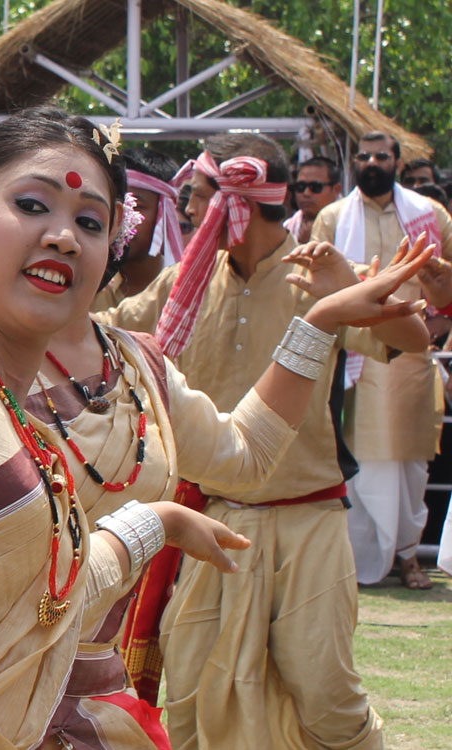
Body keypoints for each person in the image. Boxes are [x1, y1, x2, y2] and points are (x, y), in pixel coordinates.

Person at [0, 56, 422, 749]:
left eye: (90, 221)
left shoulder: (124, 372)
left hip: (76, 717)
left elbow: (64, 586)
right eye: (30, 204)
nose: (62, 234)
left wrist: (315, 326)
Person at [106, 130, 430, 748]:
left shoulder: (321, 272)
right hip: (213, 521)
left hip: (307, 516)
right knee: (196, 694)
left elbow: (414, 342)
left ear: (238, 203)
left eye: (198, 197)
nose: (190, 212)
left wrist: (338, 295)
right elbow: (103, 332)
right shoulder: (183, 284)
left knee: (326, 694)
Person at [311, 131, 452, 592]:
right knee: (359, 462)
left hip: (409, 354)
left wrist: (436, 311)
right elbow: (315, 283)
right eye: (365, 156)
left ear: (396, 161)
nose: (372, 162)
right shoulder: (332, 217)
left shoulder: (430, 216)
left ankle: (410, 557)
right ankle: (361, 560)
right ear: (354, 162)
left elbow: (447, 289)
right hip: (353, 355)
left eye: (382, 156)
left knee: (410, 464)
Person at [91, 148, 183, 312]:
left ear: (167, 212)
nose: (124, 219)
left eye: (137, 207)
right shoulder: (86, 285)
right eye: (117, 207)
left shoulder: (188, 290)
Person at [285, 156, 341, 243]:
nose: (306, 193)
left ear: (336, 189)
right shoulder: (288, 227)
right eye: (301, 187)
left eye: (315, 187)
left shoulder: (349, 224)